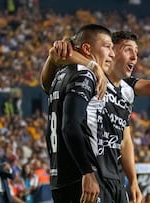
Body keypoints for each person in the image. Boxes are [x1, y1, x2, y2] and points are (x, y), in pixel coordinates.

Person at [41, 30, 150, 203]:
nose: (134, 57)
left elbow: (126, 139)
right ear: (112, 50)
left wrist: (133, 181)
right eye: (128, 50)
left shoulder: (127, 91)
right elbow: (59, 60)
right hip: (89, 173)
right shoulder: (90, 76)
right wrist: (71, 57)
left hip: (114, 178)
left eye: (137, 53)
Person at [43, 23, 115, 203]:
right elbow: (70, 126)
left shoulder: (61, 74)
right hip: (80, 181)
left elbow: (45, 83)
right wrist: (87, 172)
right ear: (87, 48)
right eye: (107, 46)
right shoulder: (85, 74)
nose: (112, 54)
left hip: (60, 177)